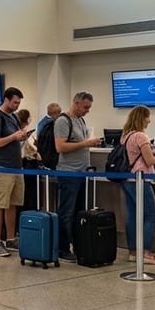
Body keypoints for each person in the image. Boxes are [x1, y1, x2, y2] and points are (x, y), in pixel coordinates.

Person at [121, 105, 155, 265]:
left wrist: (149, 148)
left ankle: (133, 252)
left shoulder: (126, 135)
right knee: (151, 216)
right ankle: (146, 253)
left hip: (127, 180)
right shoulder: (141, 136)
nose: (150, 120)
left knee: (132, 217)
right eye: (148, 117)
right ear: (142, 118)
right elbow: (150, 161)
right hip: (141, 180)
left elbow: (135, 154)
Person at [54, 92, 101, 263]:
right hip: (68, 174)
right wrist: (86, 143)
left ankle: (78, 245)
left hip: (81, 173)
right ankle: (62, 248)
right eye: (85, 107)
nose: (87, 111)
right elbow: (60, 147)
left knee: (78, 212)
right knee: (66, 213)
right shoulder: (62, 121)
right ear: (76, 103)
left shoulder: (80, 120)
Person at [0, 87, 30, 258]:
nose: (17, 106)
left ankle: (10, 238)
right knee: (0, 204)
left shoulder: (13, 117)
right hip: (1, 167)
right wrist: (13, 137)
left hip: (15, 166)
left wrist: (22, 136)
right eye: (14, 102)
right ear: (6, 100)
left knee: (13, 203)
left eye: (19, 103)